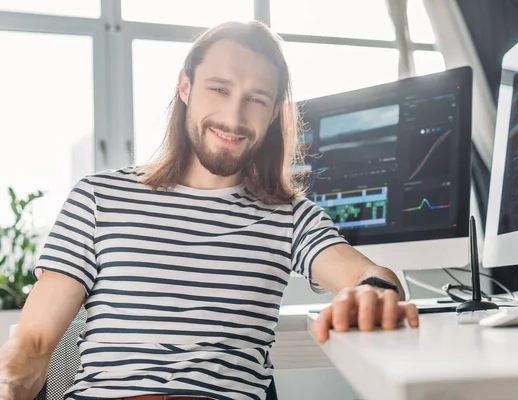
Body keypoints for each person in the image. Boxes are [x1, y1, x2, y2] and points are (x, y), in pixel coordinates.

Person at [0, 21, 419, 400]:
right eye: (219, 89)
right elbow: (34, 345)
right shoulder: (97, 197)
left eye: (255, 99)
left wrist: (373, 294)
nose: (234, 117)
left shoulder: (291, 216)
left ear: (274, 113)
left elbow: (364, 273)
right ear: (185, 87)